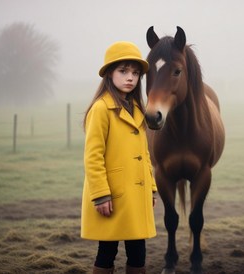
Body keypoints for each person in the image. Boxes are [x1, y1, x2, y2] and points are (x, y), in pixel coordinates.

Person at [81, 41, 157, 274]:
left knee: (138, 252)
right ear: (109, 74)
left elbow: (144, 153)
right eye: (123, 71)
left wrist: (151, 188)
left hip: (136, 195)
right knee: (107, 251)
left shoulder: (136, 108)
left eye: (135, 73)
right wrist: (101, 194)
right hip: (111, 195)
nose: (130, 78)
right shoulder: (101, 109)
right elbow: (93, 156)